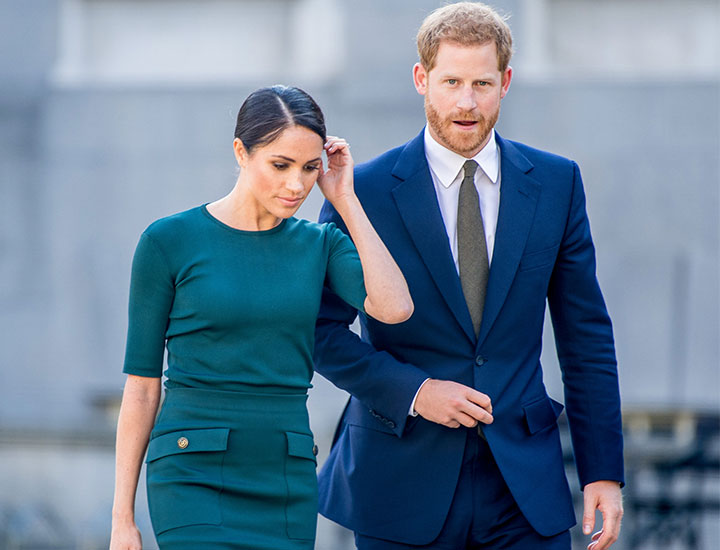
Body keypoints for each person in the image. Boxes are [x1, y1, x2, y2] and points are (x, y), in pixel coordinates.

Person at [314, 3, 624, 550]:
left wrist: (603, 471)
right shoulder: (360, 192)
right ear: (421, 79)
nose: (466, 102)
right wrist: (415, 391)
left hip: (523, 486)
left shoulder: (557, 184)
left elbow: (586, 337)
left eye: (481, 82)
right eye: (451, 81)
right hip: (400, 479)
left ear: (505, 82)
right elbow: (320, 331)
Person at [109, 85, 413, 550]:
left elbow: (394, 308)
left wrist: (346, 200)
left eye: (310, 168)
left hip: (284, 470)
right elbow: (143, 387)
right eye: (280, 165)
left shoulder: (321, 245)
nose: (297, 185)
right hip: (192, 470)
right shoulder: (168, 241)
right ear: (241, 152)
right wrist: (122, 518)